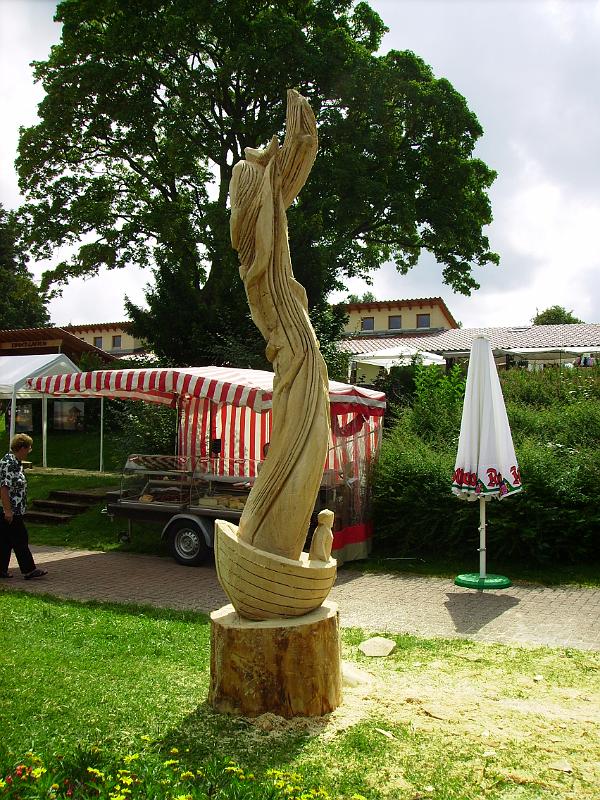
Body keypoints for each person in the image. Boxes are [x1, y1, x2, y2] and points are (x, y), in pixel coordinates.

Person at [0, 434, 48, 580]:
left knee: (5, 540)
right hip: (10, 510)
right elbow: (4, 488)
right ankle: (29, 569)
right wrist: (8, 510)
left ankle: (1, 570)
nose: (29, 451)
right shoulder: (8, 463)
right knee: (20, 538)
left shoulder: (16, 463)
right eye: (28, 448)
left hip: (14, 509)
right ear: (22, 448)